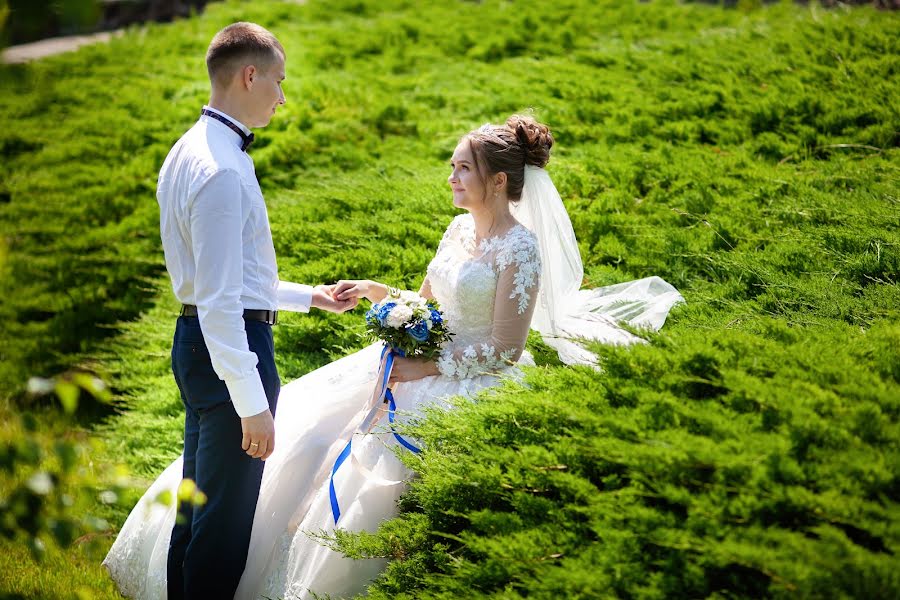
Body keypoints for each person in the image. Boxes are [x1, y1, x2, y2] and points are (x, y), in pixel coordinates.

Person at [103, 114, 684, 599]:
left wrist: (427, 366)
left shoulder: (520, 248)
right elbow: (428, 303)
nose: (451, 175)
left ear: (501, 182)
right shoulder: (457, 231)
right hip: (409, 363)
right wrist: (383, 296)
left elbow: (507, 348)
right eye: (453, 164)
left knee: (377, 474)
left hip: (467, 375)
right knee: (308, 439)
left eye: (464, 167)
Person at [102, 22, 356, 600]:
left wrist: (310, 296)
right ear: (249, 75)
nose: (282, 96)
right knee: (222, 528)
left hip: (199, 343)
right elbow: (220, 303)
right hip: (228, 351)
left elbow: (224, 281)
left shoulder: (191, 150)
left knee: (197, 514)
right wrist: (253, 405)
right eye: (279, 81)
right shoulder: (220, 169)